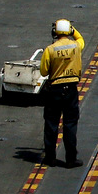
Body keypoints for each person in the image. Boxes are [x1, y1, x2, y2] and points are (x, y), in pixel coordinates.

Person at [39, 18, 84, 167]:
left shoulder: (50, 50)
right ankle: (71, 159)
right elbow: (80, 38)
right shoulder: (77, 46)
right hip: (71, 89)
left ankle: (50, 158)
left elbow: (44, 71)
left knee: (51, 124)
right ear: (69, 31)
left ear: (55, 32)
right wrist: (73, 30)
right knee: (70, 124)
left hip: (54, 90)